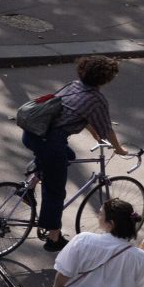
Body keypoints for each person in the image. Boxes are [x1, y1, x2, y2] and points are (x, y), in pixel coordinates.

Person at [23, 55, 126, 250]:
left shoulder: (74, 85)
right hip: (50, 142)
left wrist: (95, 135)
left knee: (67, 156)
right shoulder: (97, 100)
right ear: (105, 79)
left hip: (33, 134)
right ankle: (54, 238)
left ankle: (30, 186)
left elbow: (78, 114)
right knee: (55, 191)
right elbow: (108, 130)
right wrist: (119, 149)